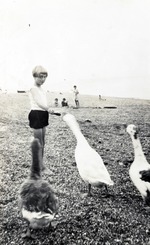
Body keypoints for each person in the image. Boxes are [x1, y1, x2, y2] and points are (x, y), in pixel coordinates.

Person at [28, 65, 54, 170]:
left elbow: (43, 101)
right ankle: (38, 165)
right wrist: (48, 108)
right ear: (34, 76)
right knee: (38, 142)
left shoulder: (41, 88)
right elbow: (38, 102)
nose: (43, 79)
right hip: (36, 114)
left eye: (45, 77)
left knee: (43, 141)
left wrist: (48, 109)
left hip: (43, 114)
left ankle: (40, 164)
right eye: (40, 77)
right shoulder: (33, 88)